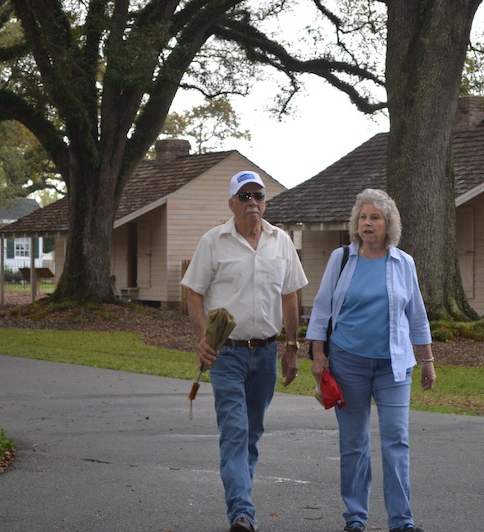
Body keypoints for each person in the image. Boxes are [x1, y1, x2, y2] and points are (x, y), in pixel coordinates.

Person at [181, 170, 308, 532]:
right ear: (232, 204)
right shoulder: (213, 241)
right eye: (245, 196)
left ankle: (241, 502)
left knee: (251, 434)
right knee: (235, 431)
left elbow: (290, 295)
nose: (253, 202)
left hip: (266, 354)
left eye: (259, 196)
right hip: (227, 355)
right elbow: (194, 291)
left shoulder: (280, 241)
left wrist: (292, 347)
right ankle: (242, 514)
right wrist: (202, 338)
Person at [307, 188, 435, 532]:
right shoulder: (342, 259)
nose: (367, 223)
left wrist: (427, 360)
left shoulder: (403, 263)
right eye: (363, 217)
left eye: (375, 218)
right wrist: (319, 354)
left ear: (388, 224)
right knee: (353, 442)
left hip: (394, 366)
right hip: (348, 364)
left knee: (396, 441)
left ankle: (401, 521)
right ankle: (355, 517)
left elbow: (417, 315)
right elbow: (321, 309)